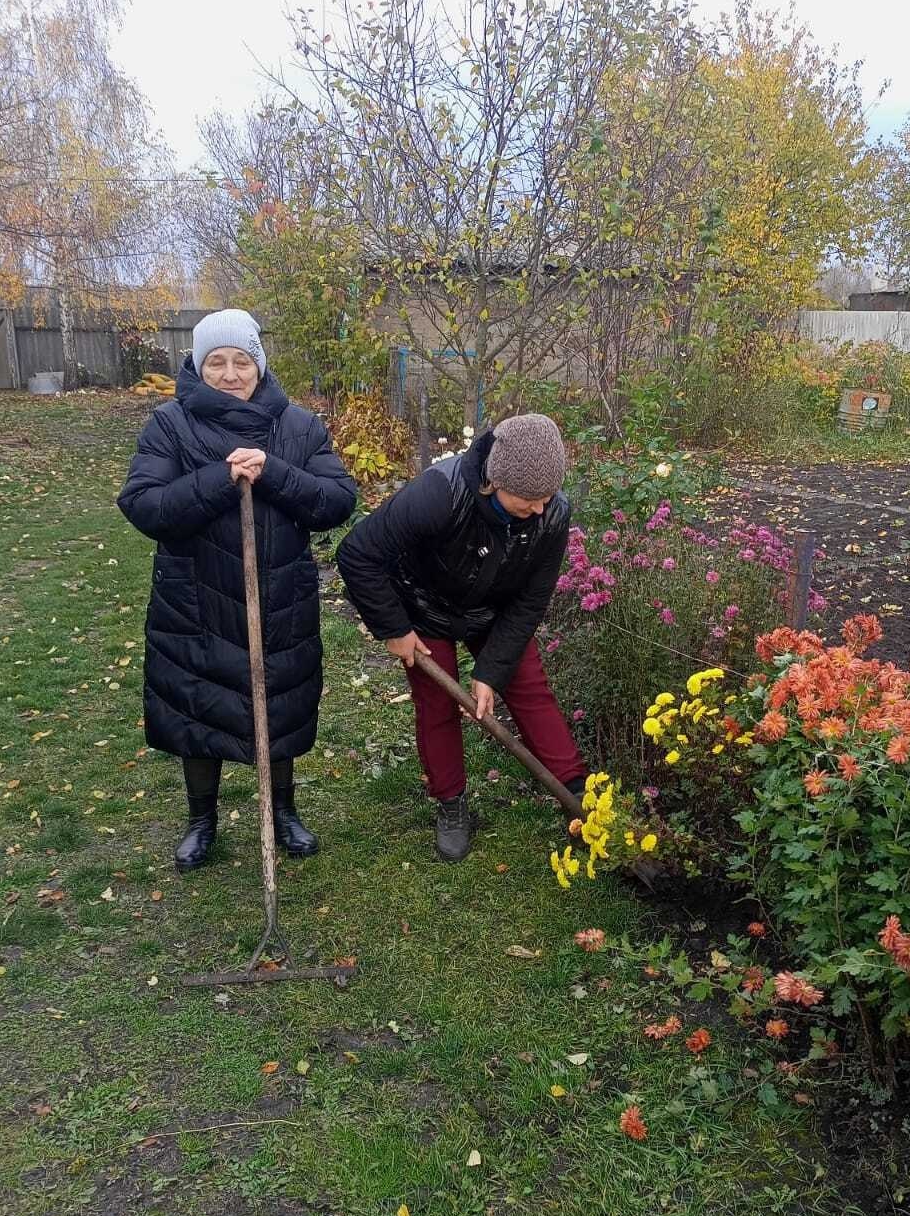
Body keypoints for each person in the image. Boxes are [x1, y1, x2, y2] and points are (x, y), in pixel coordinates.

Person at [117, 309, 357, 871]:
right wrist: (217, 479)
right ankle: (202, 821)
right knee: (197, 707)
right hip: (195, 597)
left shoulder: (296, 426)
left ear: (259, 364)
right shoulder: (170, 425)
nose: (229, 373)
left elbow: (338, 499)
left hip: (278, 597)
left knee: (279, 705)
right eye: (216, 362)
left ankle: (283, 813)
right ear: (199, 367)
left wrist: (273, 472)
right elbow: (145, 505)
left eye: (241, 361)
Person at [336, 412, 586, 861]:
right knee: (437, 703)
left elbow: (530, 602)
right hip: (426, 604)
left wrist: (490, 670)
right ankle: (451, 803)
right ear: (493, 482)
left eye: (548, 496)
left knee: (529, 689)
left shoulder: (552, 516)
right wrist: (394, 628)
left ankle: (578, 797)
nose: (540, 508)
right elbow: (357, 553)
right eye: (528, 498)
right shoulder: (439, 494)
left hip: (496, 610)